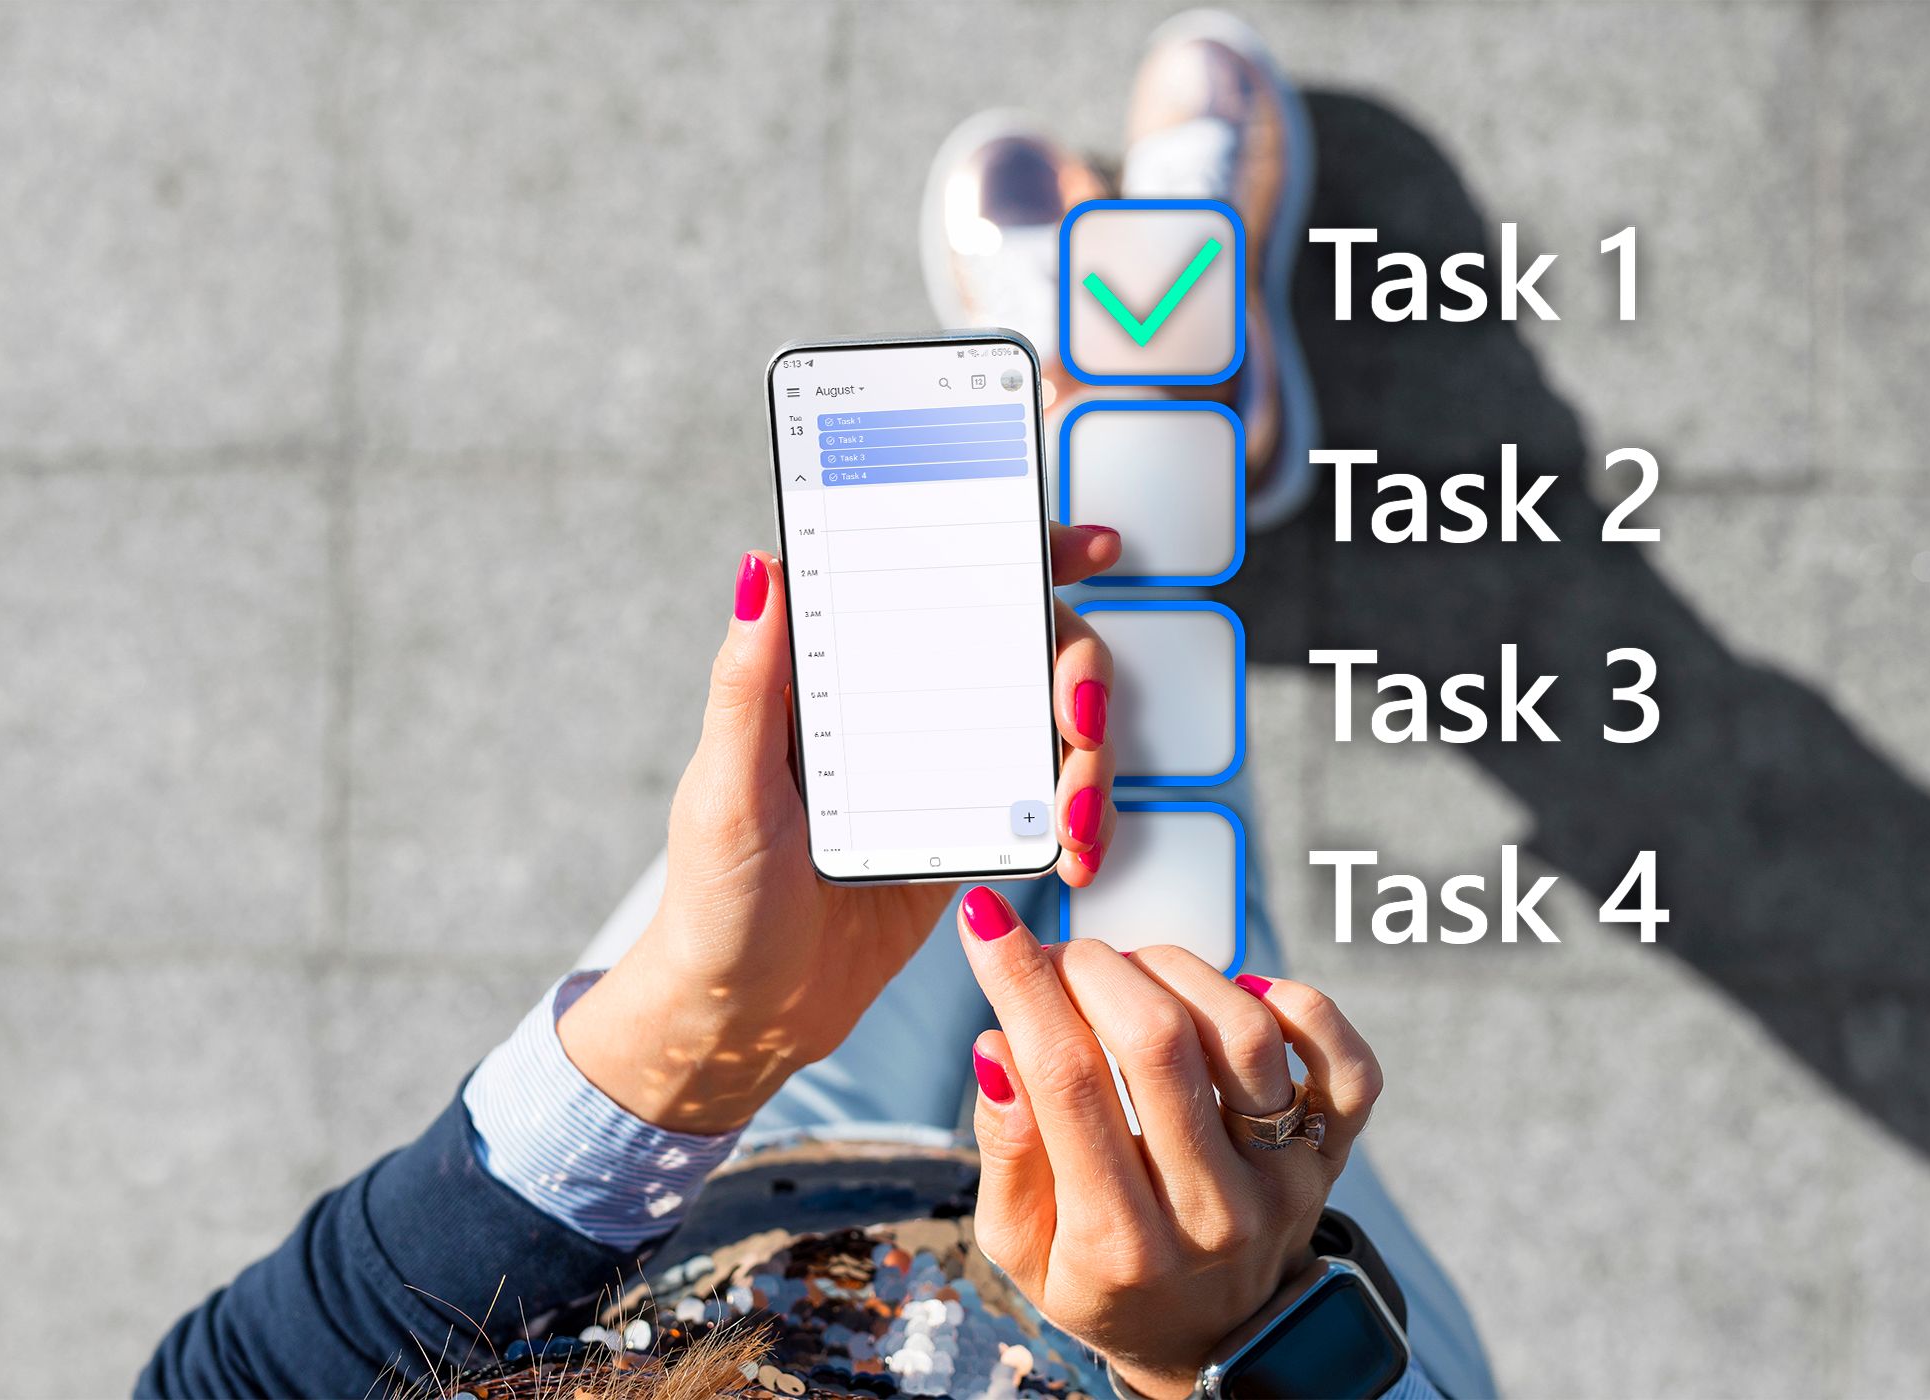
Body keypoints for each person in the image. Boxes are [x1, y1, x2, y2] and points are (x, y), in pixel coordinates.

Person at [141, 12, 1496, 1399]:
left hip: (741, 1204)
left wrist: (696, 1026)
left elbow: (230, 1383)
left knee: (997, 721)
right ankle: (1165, 398)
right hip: (1203, 1327)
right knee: (1180, 928)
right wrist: (1199, 1352)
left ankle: (1126, 422)